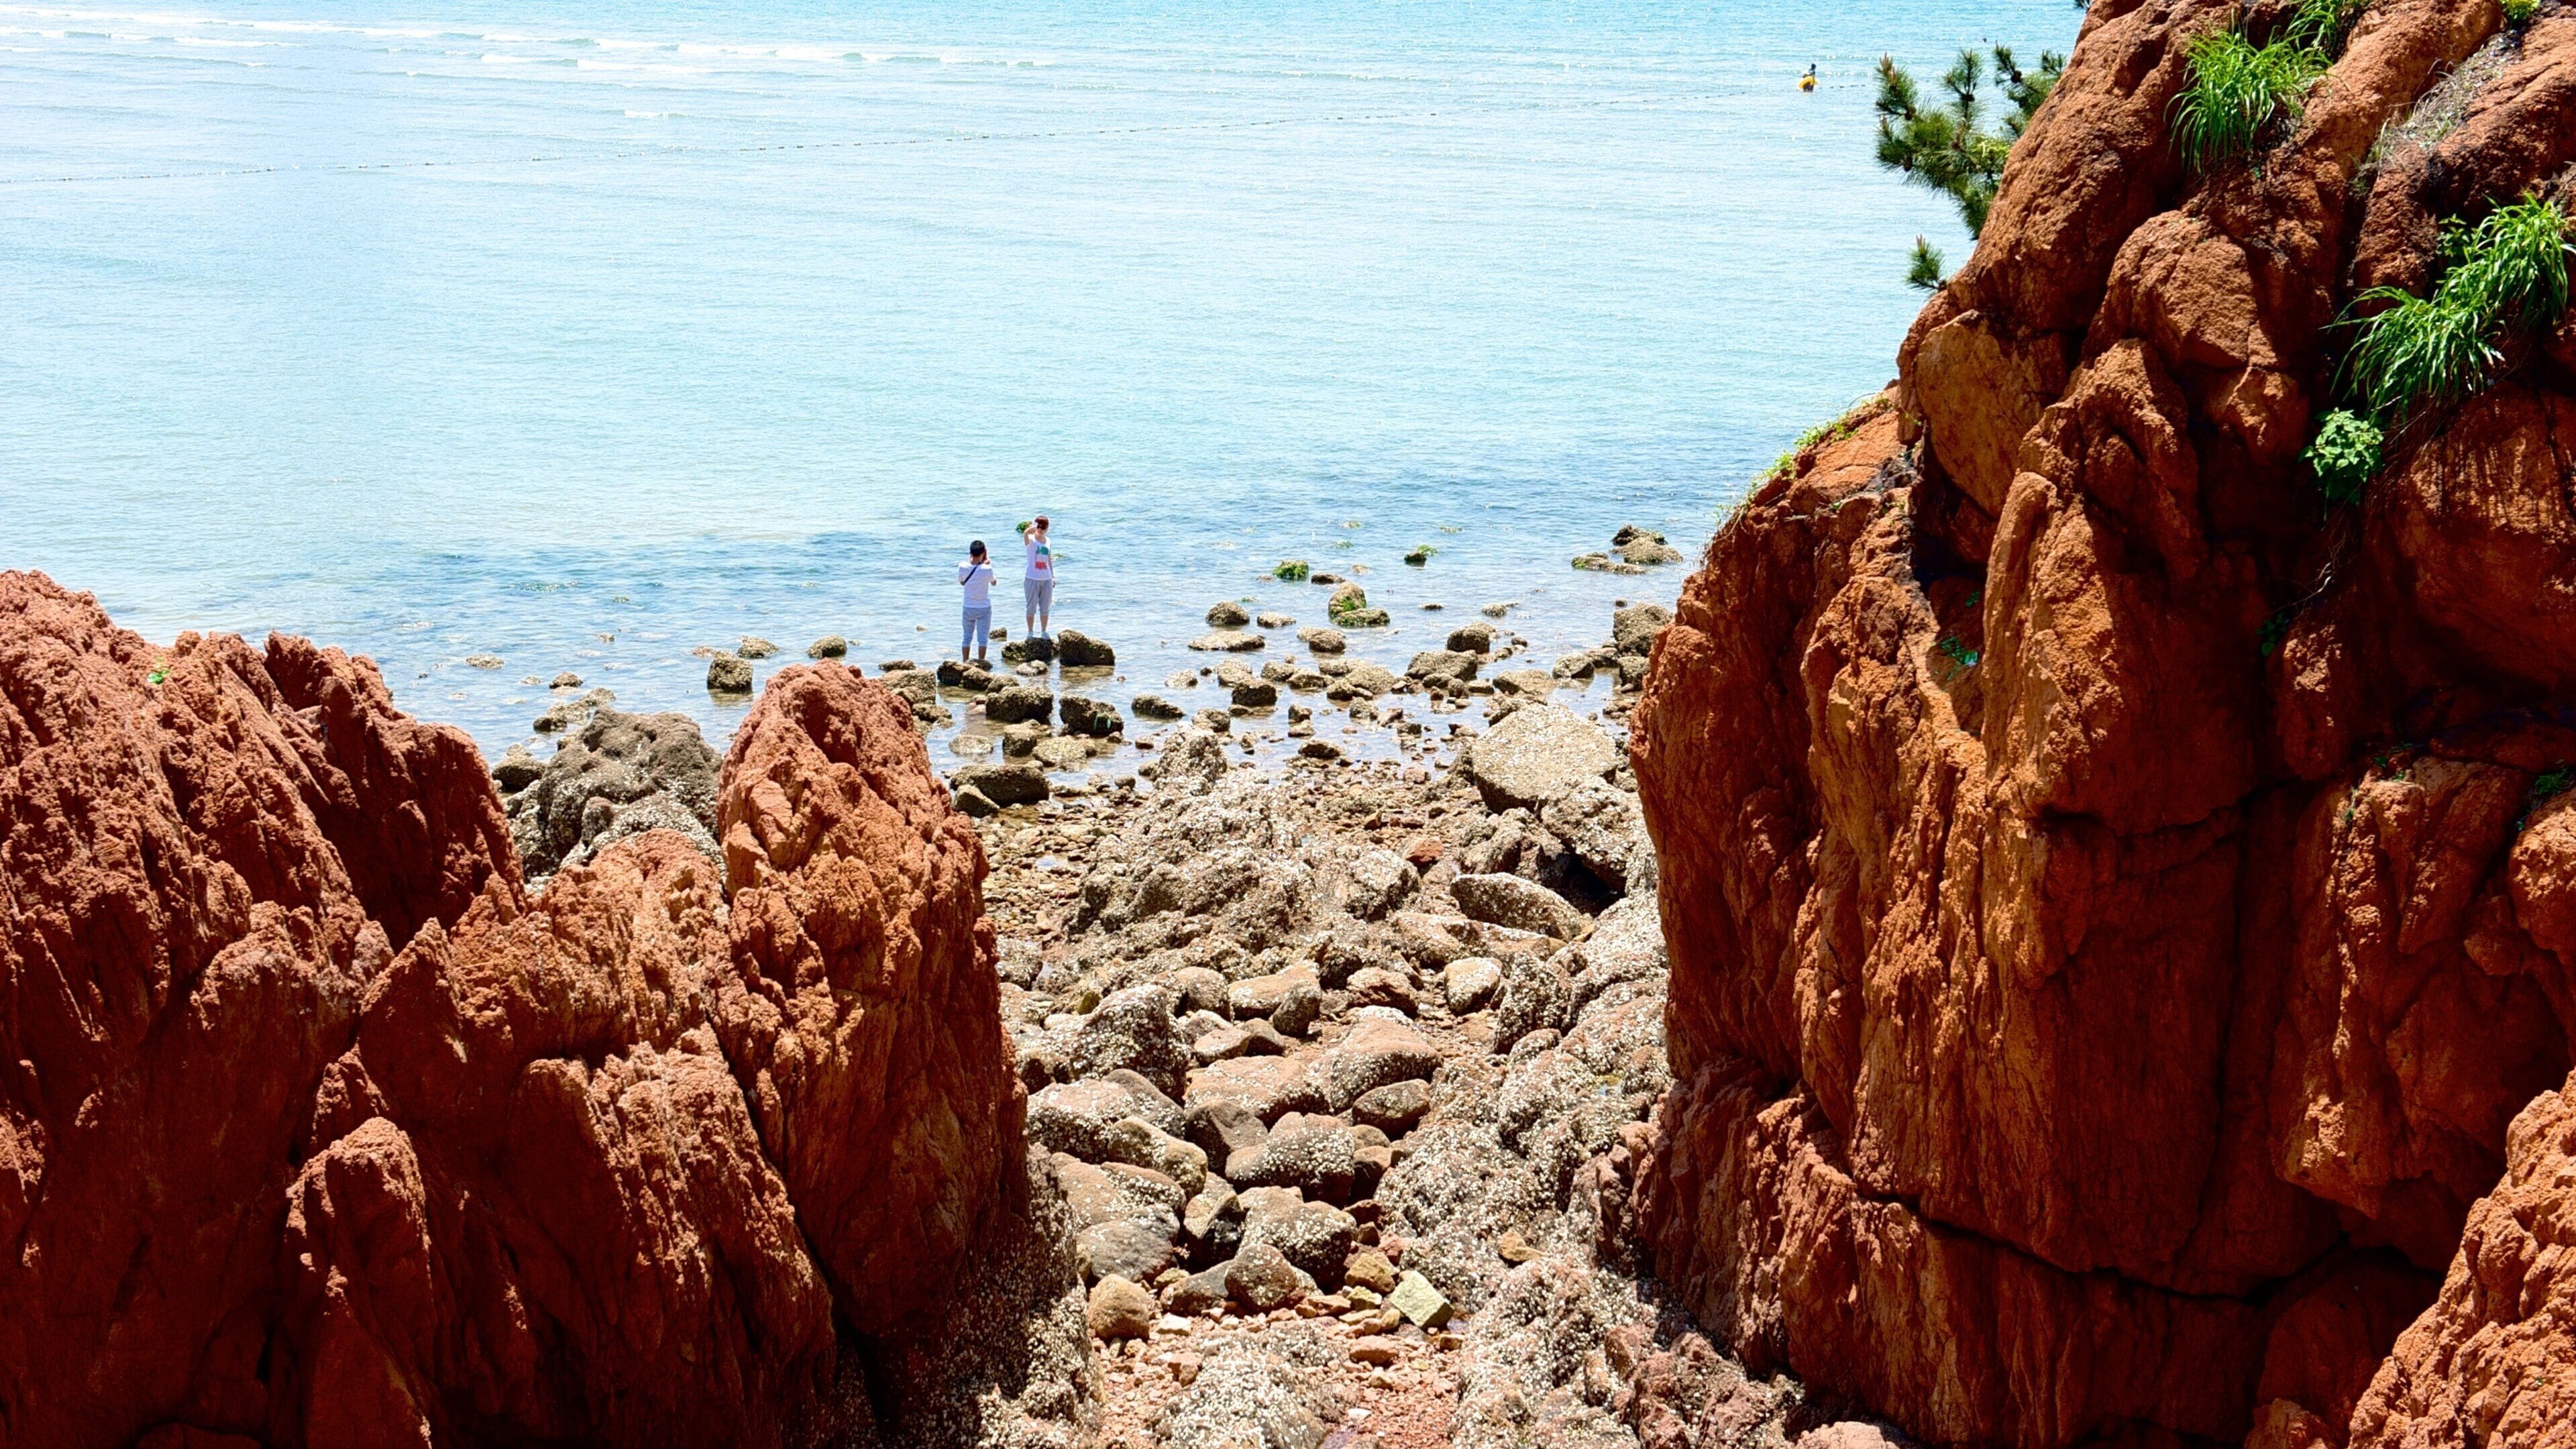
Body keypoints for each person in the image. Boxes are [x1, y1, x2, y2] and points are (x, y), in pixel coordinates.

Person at [958, 540, 996, 665]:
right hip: (984, 608)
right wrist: (986, 563)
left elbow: (962, 582)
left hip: (968, 607)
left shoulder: (962, 566)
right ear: (983, 553)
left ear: (970, 553)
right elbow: (994, 582)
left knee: (967, 637)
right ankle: (981, 663)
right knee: (983, 639)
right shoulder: (987, 568)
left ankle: (965, 663)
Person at [1019, 514, 1056, 641]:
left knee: (1045, 607)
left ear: (1047, 528)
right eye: (1039, 526)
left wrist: (1052, 576)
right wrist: (1029, 530)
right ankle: (1030, 632)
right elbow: (1025, 537)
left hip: (1046, 579)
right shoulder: (1030, 540)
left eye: (1043, 527)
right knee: (1031, 607)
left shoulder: (1049, 541)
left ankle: (1044, 631)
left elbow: (1049, 560)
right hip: (1032, 579)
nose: (1041, 529)